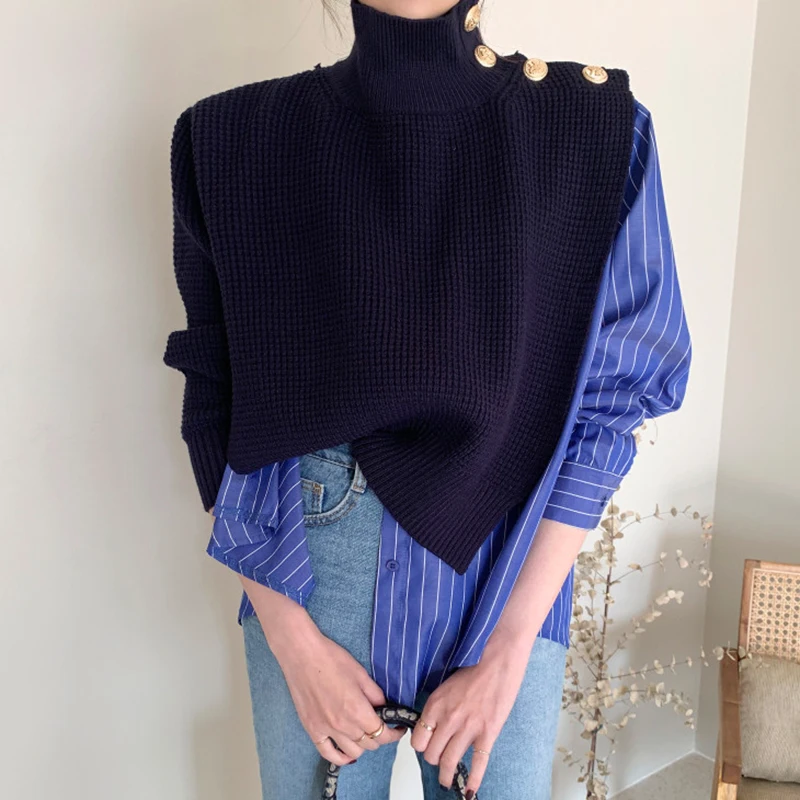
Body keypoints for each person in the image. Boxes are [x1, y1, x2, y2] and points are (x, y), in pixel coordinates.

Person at [162, 1, 692, 798]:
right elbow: (218, 402)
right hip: (309, 568)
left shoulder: (596, 130)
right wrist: (292, 641)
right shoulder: (233, 138)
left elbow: (615, 399)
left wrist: (510, 647)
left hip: (510, 567)